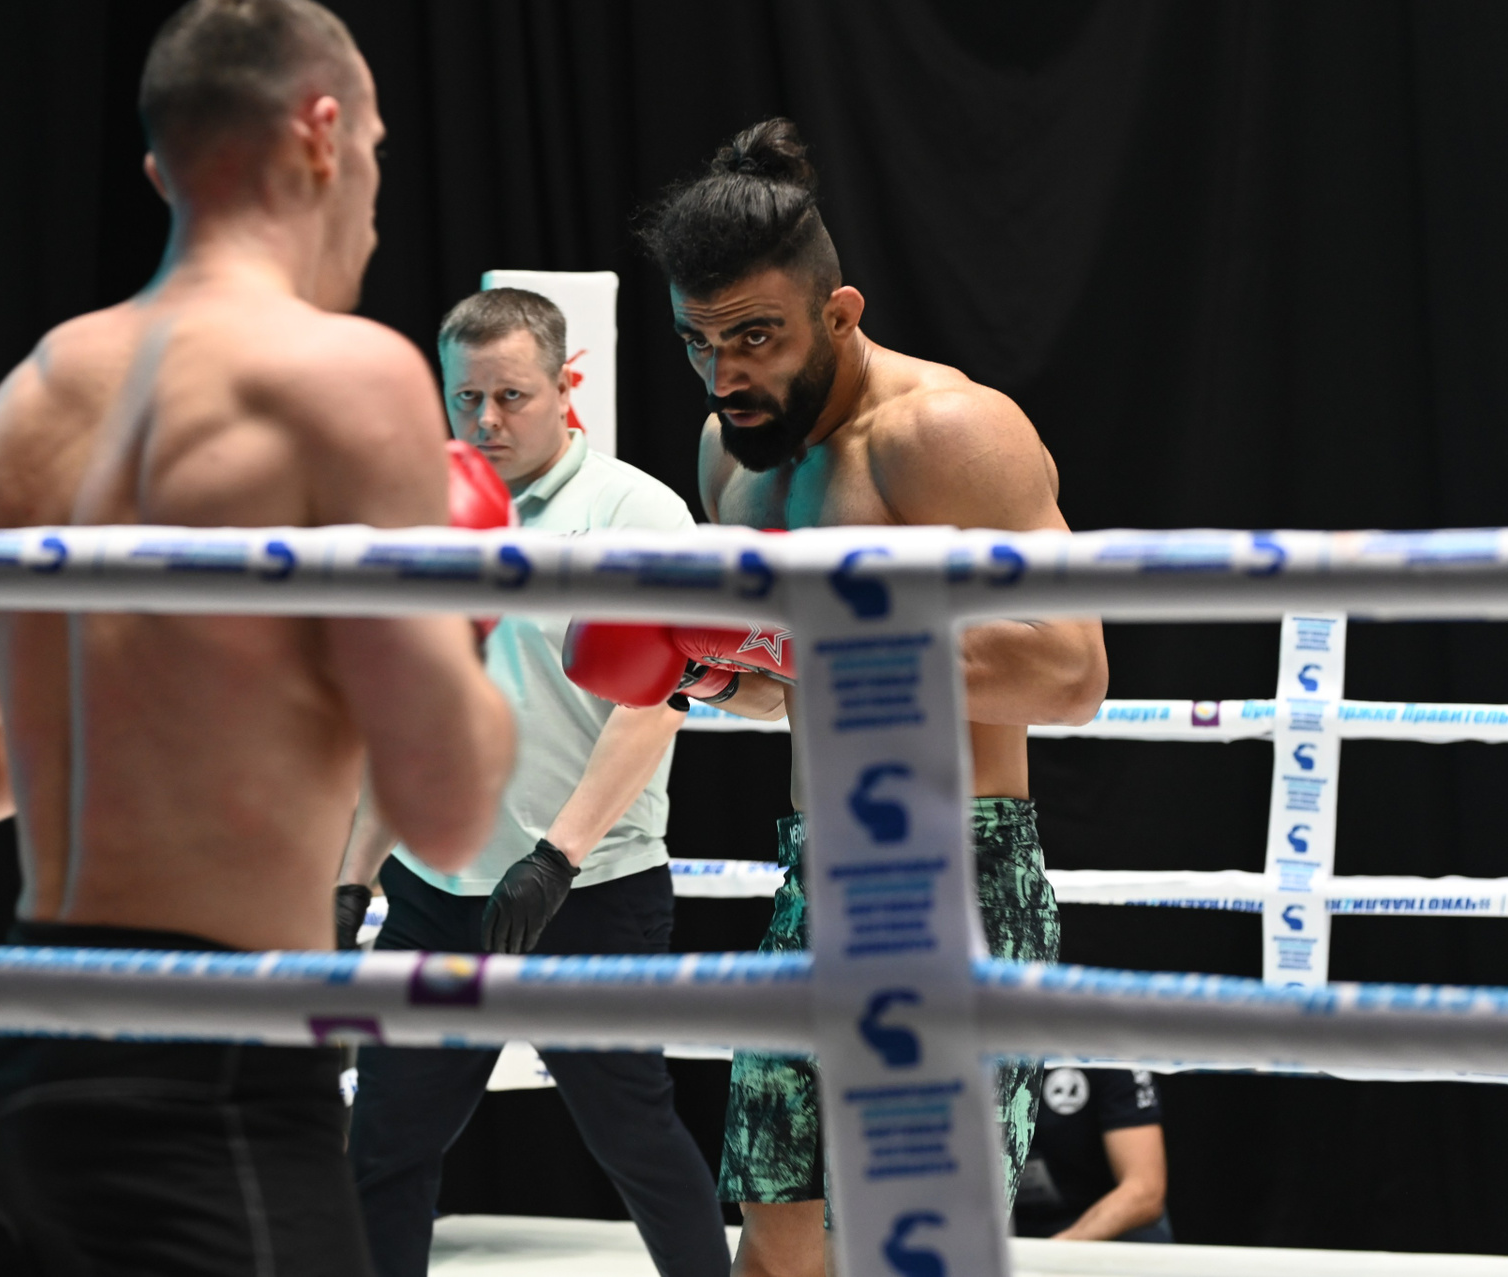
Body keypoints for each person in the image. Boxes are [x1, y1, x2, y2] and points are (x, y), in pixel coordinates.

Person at [0, 3, 514, 1273]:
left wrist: (138, 733)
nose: (379, 202)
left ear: (167, 168)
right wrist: (465, 610)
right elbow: (444, 811)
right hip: (209, 1053)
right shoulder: (347, 378)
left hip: (8, 1044)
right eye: (377, 148)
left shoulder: (14, 409)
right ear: (320, 133)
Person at [608, 118, 1110, 1277]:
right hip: (816, 862)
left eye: (756, 336)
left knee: (911, 1248)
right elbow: (793, 688)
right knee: (776, 1250)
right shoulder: (732, 452)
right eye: (698, 342)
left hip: (955, 867)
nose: (726, 374)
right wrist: (710, 668)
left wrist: (817, 634)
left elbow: (1072, 670)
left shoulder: (949, 431)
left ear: (839, 314)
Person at [342, 288, 731, 1277]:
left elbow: (658, 703)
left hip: (594, 888)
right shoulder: (424, 514)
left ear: (567, 385)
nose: (486, 420)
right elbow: (410, 711)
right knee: (382, 1145)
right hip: (438, 890)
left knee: (635, 1138)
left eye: (510, 395)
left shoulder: (637, 513)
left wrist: (557, 857)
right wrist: (352, 874)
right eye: (465, 397)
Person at [1012, 1068, 1172, 1243]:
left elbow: (1144, 1192)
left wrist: (1058, 1249)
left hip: (1094, 1220)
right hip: (1004, 1221)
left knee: (1145, 1243)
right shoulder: (992, 1066)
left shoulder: (1112, 1063)